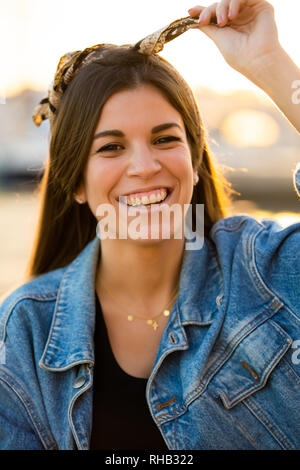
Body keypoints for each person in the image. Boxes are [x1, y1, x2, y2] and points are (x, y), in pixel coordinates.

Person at [0, 0, 299, 450]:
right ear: (76, 183)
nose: (144, 166)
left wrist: (270, 64)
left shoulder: (264, 272)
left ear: (195, 161)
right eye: (111, 148)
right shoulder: (24, 331)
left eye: (164, 139)